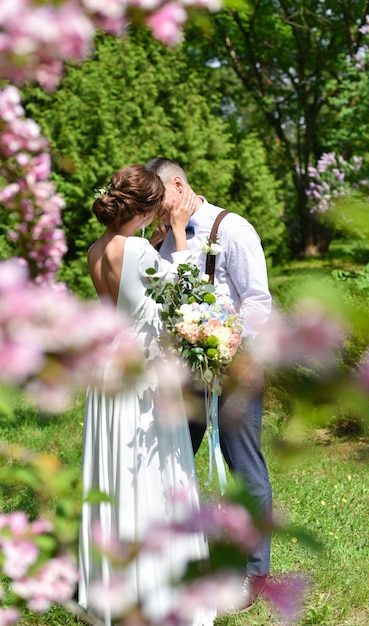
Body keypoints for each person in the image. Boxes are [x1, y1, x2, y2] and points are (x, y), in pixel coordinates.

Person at [78, 164, 215, 626]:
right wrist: (177, 232)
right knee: (150, 469)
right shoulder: (136, 249)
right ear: (146, 206)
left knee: (115, 473)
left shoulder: (97, 249)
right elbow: (180, 289)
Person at [146, 157, 273, 611]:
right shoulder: (163, 240)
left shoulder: (233, 228)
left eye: (158, 203)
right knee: (172, 462)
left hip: (235, 370)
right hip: (186, 373)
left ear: (178, 186)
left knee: (243, 468)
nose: (155, 214)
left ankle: (254, 574)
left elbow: (257, 300)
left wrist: (239, 353)